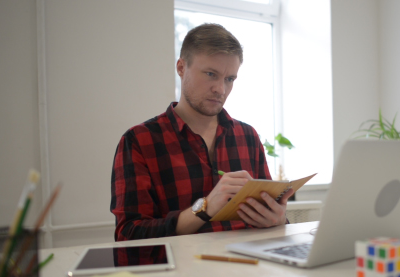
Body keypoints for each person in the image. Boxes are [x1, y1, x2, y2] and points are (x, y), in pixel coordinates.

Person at [111, 23, 293, 241]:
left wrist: (279, 220)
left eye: (229, 79)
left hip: (249, 269)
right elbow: (129, 235)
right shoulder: (139, 141)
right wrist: (205, 207)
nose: (220, 89)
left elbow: (271, 219)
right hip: (183, 271)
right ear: (181, 68)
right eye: (210, 74)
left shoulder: (248, 137)